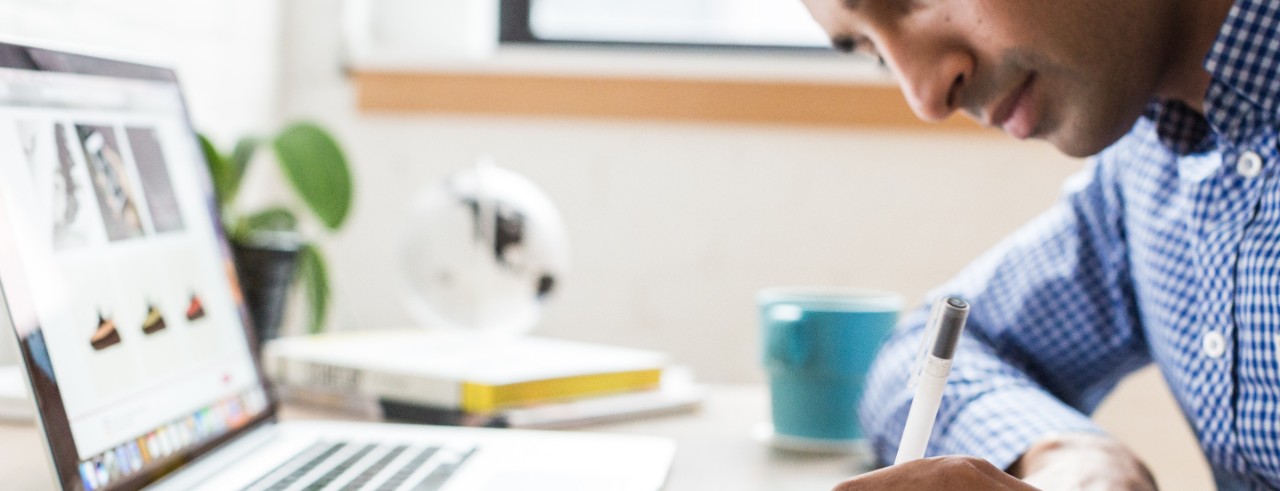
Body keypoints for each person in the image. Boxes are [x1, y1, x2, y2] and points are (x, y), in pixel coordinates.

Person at [796, 0, 1279, 489]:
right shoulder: (1147, 166)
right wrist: (1072, 456)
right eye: (875, 54)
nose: (926, 99)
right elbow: (917, 356)